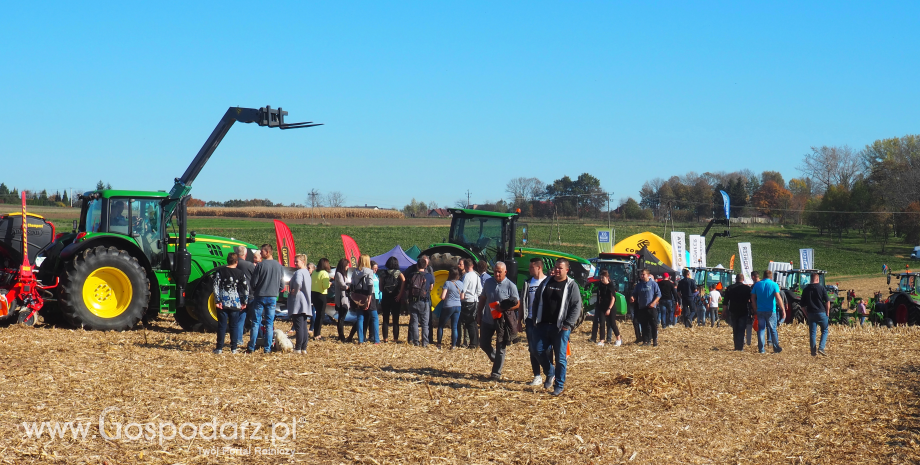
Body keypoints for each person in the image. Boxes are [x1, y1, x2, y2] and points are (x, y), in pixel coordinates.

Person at [533, 258, 581, 396]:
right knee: (537, 350)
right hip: (543, 325)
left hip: (561, 328)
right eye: (556, 267)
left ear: (567, 270)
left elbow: (576, 306)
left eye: (560, 268)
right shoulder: (546, 282)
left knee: (560, 358)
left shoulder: (571, 285)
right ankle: (550, 372)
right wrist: (536, 318)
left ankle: (559, 385)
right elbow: (537, 300)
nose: (557, 270)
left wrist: (568, 324)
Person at [477, 261, 520, 380]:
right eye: (495, 271)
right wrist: (479, 314)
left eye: (499, 272)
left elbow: (518, 304)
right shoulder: (488, 283)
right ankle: (496, 359)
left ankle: (496, 373)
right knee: (484, 344)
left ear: (505, 272)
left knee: (501, 346)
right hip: (488, 319)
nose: (497, 274)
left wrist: (504, 308)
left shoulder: (511, 286)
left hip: (503, 322)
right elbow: (483, 299)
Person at [246, 245, 285, 354]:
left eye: (262, 251)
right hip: (272, 297)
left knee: (256, 322)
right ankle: (267, 348)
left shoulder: (260, 265)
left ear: (267, 252)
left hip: (260, 296)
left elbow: (253, 282)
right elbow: (282, 284)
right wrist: (276, 290)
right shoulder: (279, 266)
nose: (260, 253)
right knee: (269, 323)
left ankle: (252, 346)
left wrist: (257, 288)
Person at [212, 252, 248, 354]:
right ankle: (234, 348)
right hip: (235, 302)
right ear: (236, 262)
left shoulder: (220, 272)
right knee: (234, 326)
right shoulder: (240, 273)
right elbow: (246, 288)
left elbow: (215, 287)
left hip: (223, 302)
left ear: (227, 260)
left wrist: (217, 300)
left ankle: (219, 348)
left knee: (222, 326)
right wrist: (244, 301)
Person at [523, 257, 551, 386]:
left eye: (531, 267)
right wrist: (520, 320)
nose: (529, 270)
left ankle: (550, 374)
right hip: (530, 320)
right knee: (532, 349)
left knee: (547, 349)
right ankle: (537, 375)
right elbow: (523, 301)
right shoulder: (528, 283)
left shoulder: (548, 282)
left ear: (539, 267)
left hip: (544, 321)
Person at [751, 269, 785, 354]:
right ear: (771, 276)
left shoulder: (757, 285)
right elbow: (778, 297)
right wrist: (783, 309)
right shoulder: (774, 285)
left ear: (763, 276)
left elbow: (752, 298)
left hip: (760, 310)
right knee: (773, 329)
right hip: (771, 311)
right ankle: (776, 347)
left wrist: (755, 308)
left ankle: (761, 349)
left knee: (761, 329)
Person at [349, 255, 380, 344]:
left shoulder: (355, 272)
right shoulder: (369, 271)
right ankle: (376, 339)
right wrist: (369, 300)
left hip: (358, 295)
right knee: (374, 317)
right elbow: (370, 286)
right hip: (368, 295)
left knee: (360, 318)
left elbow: (352, 285)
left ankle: (360, 340)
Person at [406, 255, 435, 347]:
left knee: (414, 322)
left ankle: (416, 341)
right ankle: (425, 342)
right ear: (425, 266)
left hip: (413, 301)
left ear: (417, 265)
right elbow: (431, 288)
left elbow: (408, 287)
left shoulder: (411, 275)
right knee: (425, 323)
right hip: (424, 301)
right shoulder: (429, 276)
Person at [288, 253, 312, 354]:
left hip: (298, 301)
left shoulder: (298, 272)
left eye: (296, 261)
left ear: (303, 262)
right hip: (305, 302)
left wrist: (295, 290)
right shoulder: (307, 272)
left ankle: (298, 348)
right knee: (303, 326)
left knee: (298, 325)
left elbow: (298, 282)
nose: (295, 263)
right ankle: (304, 348)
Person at [630, 268, 661, 346]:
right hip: (642, 307)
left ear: (648, 275)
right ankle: (645, 341)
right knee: (644, 325)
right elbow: (635, 293)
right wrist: (633, 297)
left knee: (653, 324)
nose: (642, 276)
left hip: (651, 308)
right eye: (641, 274)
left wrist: (653, 303)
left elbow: (659, 294)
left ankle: (654, 340)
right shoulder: (639, 285)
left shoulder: (653, 284)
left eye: (643, 274)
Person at [801, 272, 830, 356]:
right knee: (824, 330)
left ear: (811, 279)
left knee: (812, 333)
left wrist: (806, 314)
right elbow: (827, 301)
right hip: (821, 312)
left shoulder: (806, 289)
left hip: (810, 313)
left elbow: (802, 305)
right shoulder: (821, 288)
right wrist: (827, 312)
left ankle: (813, 352)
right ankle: (821, 348)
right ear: (818, 279)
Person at [378, 256, 405, 343]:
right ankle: (395, 338)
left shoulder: (383, 273)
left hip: (386, 297)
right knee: (395, 319)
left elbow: (380, 288)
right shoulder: (398, 273)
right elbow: (404, 281)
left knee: (385, 319)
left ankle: (385, 338)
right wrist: (400, 294)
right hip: (395, 298)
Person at [593, 270, 622, 347]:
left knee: (612, 323)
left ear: (607, 277)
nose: (601, 279)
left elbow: (613, 299)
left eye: (603, 278)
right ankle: (601, 341)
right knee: (602, 323)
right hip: (602, 307)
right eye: (601, 277)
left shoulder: (611, 286)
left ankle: (618, 339)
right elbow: (599, 296)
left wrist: (609, 309)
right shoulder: (600, 285)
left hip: (611, 307)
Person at [723, 274, 752, 351]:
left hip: (733, 310)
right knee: (741, 329)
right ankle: (740, 347)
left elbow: (725, 302)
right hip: (743, 310)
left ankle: (736, 346)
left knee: (735, 329)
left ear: (736, 279)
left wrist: (724, 312)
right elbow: (751, 301)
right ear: (743, 279)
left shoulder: (729, 288)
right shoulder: (747, 289)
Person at [437, 267, 464, 349]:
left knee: (441, 325)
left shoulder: (447, 283)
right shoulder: (461, 283)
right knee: (454, 326)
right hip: (458, 306)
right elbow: (462, 297)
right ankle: (454, 345)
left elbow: (443, 297)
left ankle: (439, 344)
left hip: (448, 306)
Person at [234, 245, 256, 344]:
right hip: (250, 294)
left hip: (237, 294)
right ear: (246, 254)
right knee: (255, 319)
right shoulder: (249, 265)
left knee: (240, 319)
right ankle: (256, 339)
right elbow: (256, 279)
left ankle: (238, 339)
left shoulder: (234, 264)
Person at [459, 258, 482, 349]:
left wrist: (461, 298)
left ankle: (473, 344)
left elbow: (463, 289)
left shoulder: (466, 276)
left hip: (467, 301)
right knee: (473, 323)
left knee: (469, 323)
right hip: (475, 301)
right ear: (472, 265)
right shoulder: (477, 276)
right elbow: (480, 290)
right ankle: (476, 342)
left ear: (465, 266)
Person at [311, 258, 332, 341]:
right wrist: (329, 284)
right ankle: (317, 334)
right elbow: (325, 286)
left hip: (313, 294)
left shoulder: (314, 272)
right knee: (321, 315)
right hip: (321, 295)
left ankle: (316, 332)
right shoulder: (325, 273)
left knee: (317, 314)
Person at [333, 258, 351, 342]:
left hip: (345, 297)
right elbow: (342, 285)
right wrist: (349, 287)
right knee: (341, 317)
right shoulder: (339, 274)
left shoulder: (344, 274)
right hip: (341, 298)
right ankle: (341, 335)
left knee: (342, 316)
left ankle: (341, 335)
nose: (348, 267)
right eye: (347, 265)